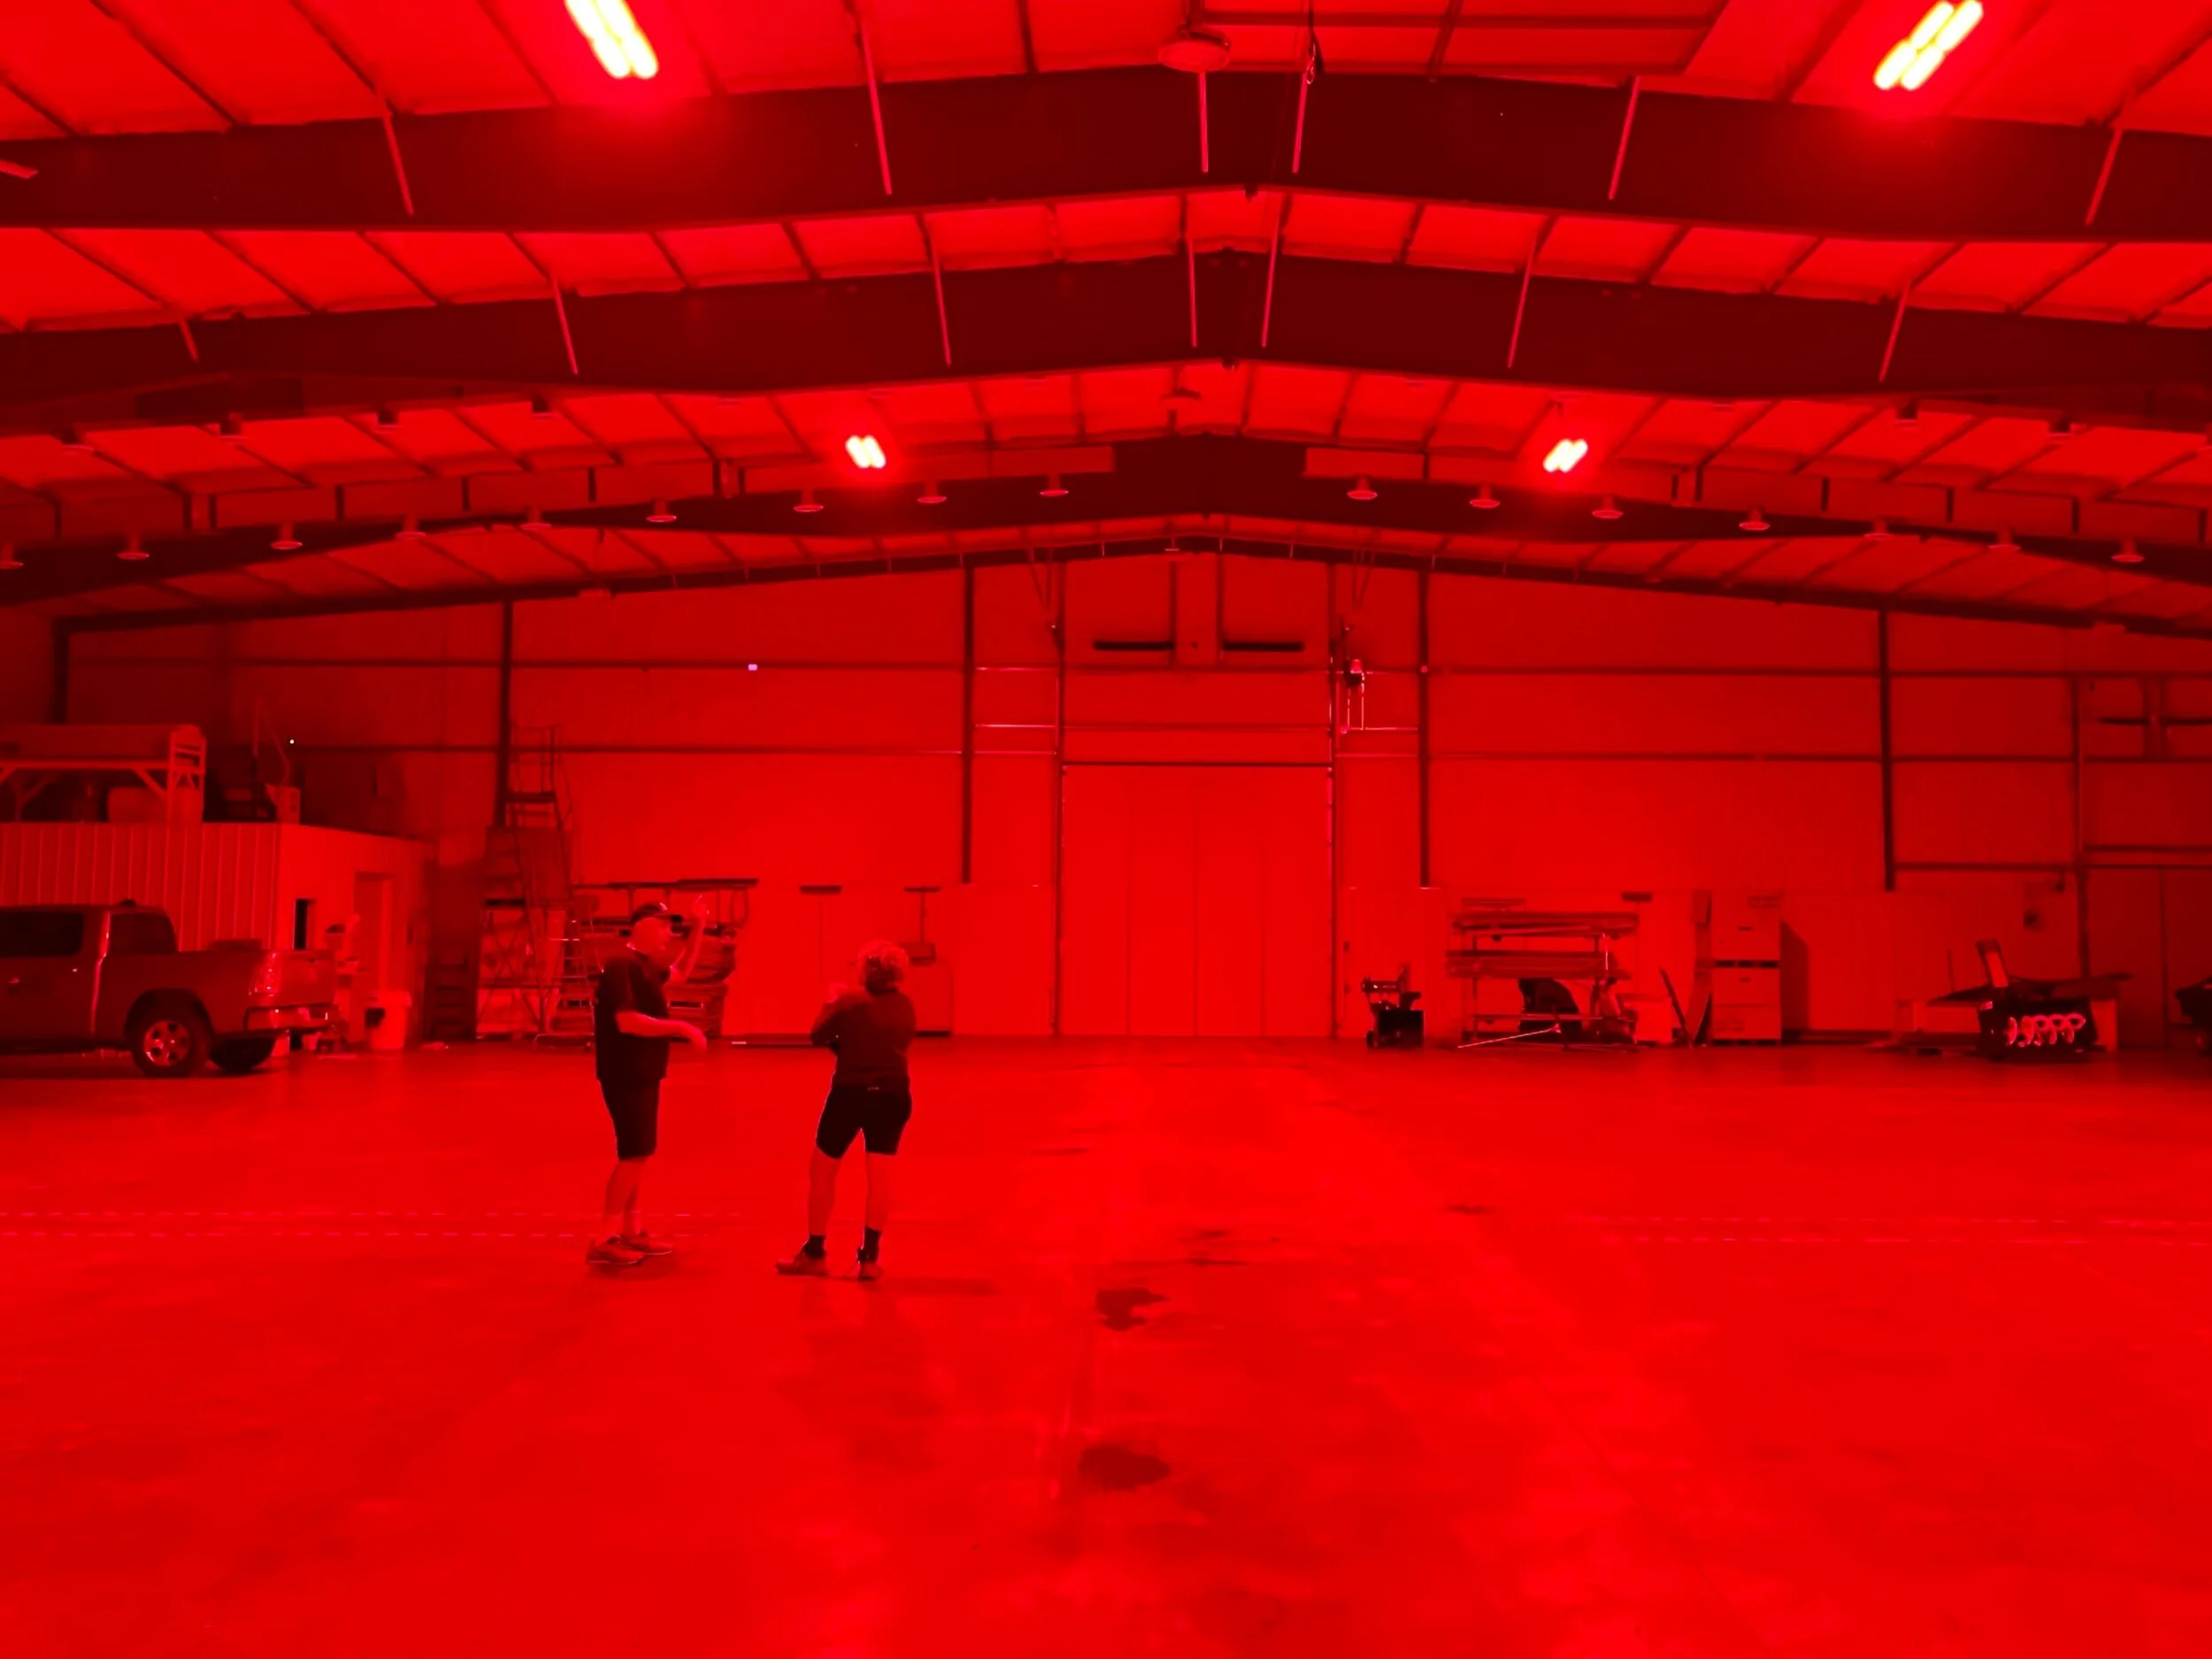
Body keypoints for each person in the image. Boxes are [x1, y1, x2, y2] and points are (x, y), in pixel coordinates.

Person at [780, 941, 917, 1282]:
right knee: (880, 1175)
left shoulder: (850, 1001)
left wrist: (829, 1002)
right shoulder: (906, 1006)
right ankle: (870, 1258)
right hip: (894, 1093)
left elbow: (818, 1035)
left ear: (865, 970)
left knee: (823, 1170)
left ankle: (815, 1252)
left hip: (851, 1093)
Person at [586, 901, 707, 1269]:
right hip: (626, 1073)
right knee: (633, 1155)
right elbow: (627, 1021)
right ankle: (604, 1238)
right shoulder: (622, 967)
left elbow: (682, 974)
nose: (669, 935)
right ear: (641, 927)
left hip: (644, 1072)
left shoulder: (647, 968)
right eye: (664, 927)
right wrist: (681, 1027)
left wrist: (698, 928)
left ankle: (632, 1228)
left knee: (638, 1153)